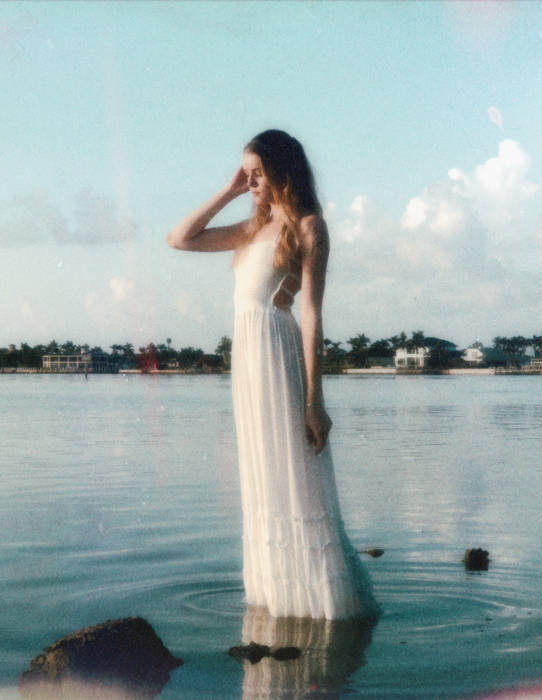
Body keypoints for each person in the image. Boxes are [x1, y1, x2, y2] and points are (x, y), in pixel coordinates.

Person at [167, 130, 378, 620]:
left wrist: (314, 402)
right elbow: (179, 238)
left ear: (284, 171)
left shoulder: (309, 227)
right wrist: (229, 190)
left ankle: (318, 604)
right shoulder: (252, 229)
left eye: (257, 173)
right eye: (246, 174)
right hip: (249, 365)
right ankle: (276, 599)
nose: (251, 182)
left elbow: (313, 316)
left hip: (278, 358)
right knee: (263, 474)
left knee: (293, 473)